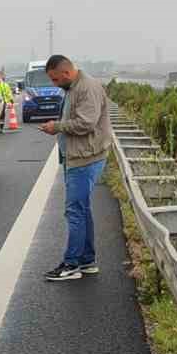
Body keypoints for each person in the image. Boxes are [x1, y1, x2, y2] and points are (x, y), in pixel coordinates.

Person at [38, 55, 111, 281]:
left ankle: (71, 265)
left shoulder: (86, 88)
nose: (54, 84)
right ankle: (87, 261)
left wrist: (57, 126)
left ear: (66, 73)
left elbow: (86, 123)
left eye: (55, 79)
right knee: (82, 209)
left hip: (86, 158)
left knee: (75, 211)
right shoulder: (73, 87)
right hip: (79, 156)